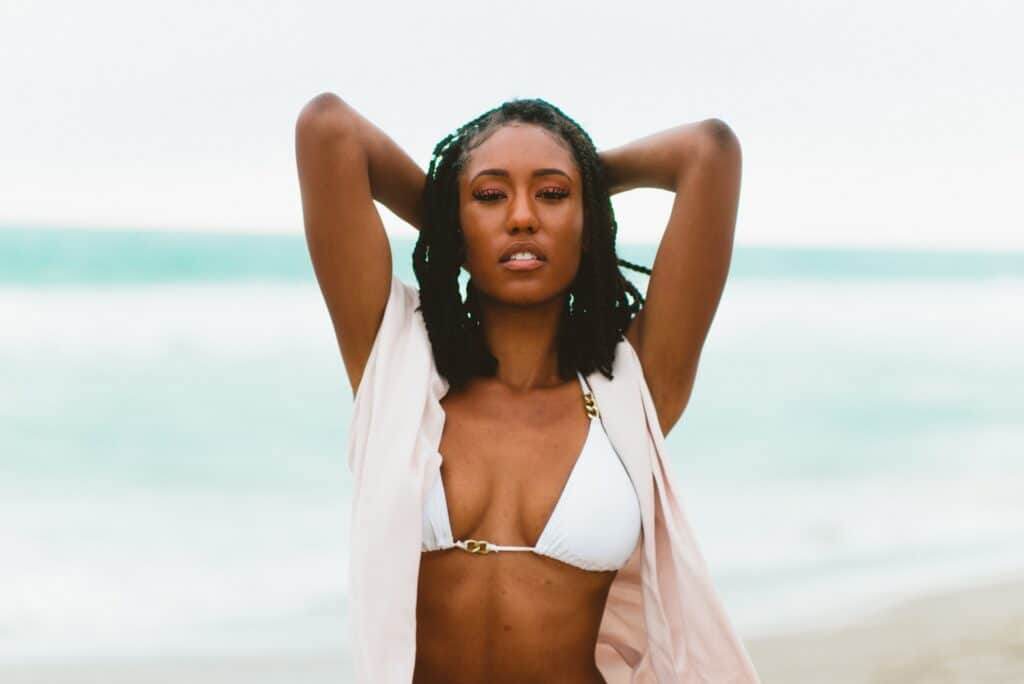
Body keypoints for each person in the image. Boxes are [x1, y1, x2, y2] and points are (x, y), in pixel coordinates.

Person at [295, 93, 759, 683]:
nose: (521, 217)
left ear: (588, 218)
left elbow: (708, 150)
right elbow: (327, 128)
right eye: (490, 196)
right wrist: (449, 223)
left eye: (553, 194)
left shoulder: (632, 386)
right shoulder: (400, 371)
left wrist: (586, 178)